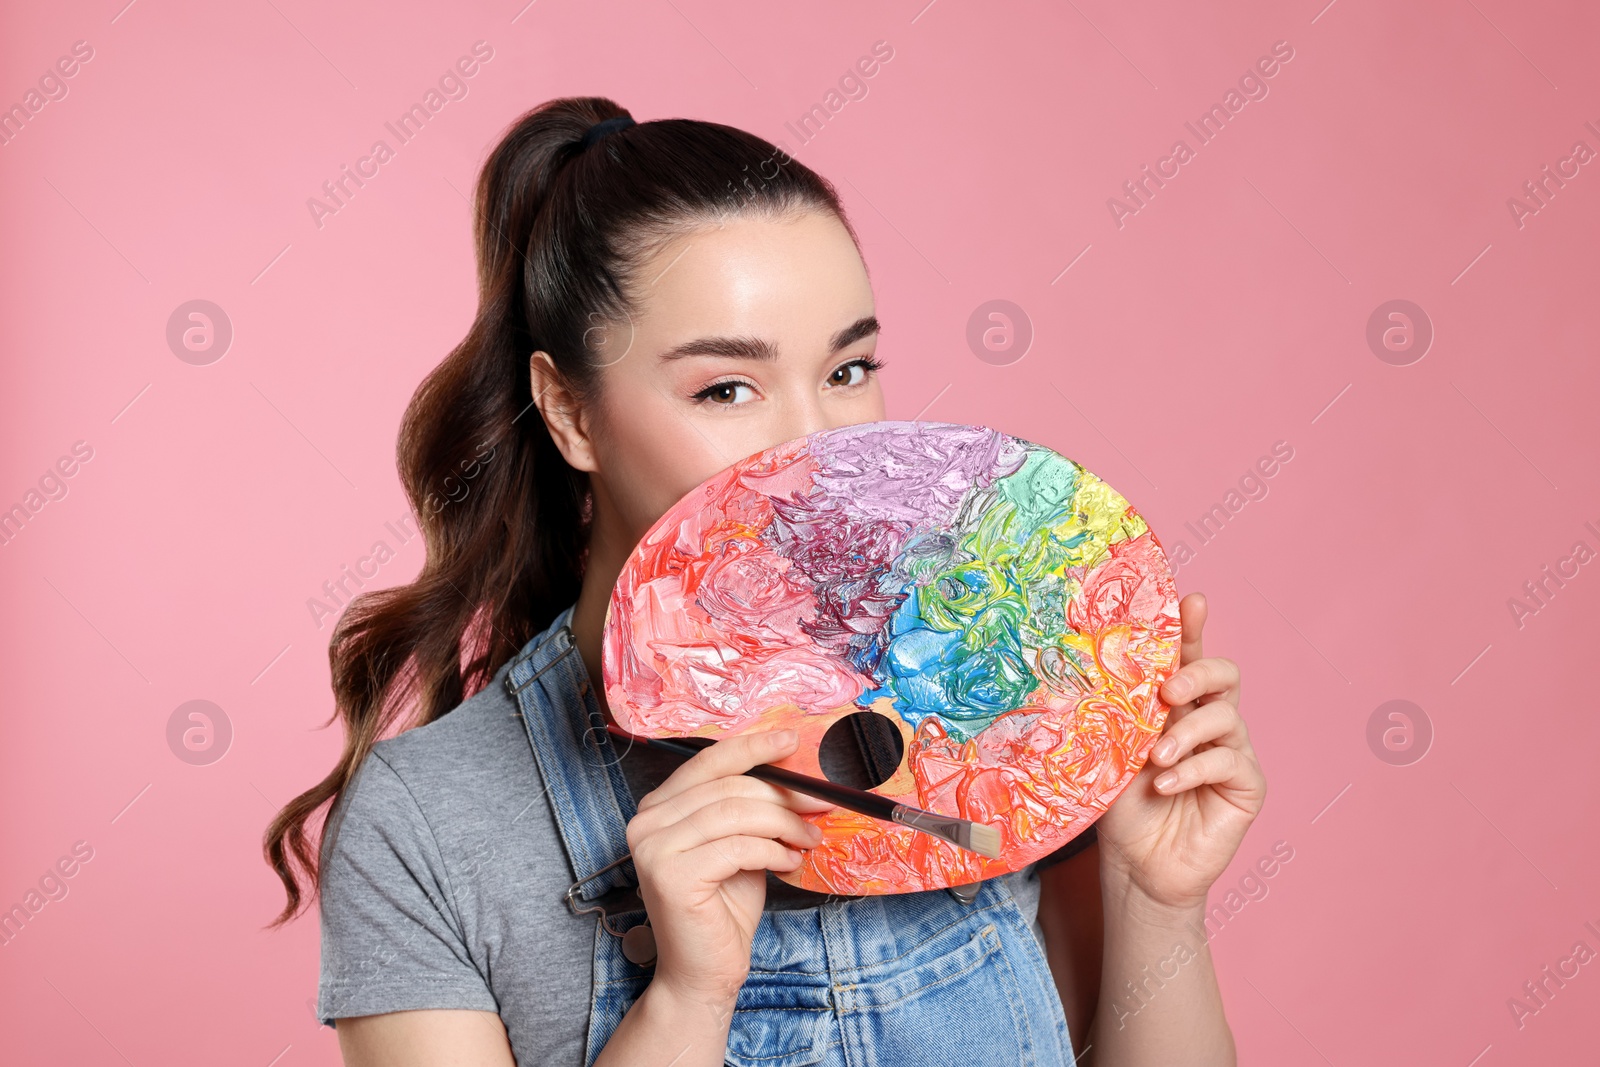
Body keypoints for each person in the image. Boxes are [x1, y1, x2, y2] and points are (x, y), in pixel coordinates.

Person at [263, 96, 1265, 1067]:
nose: (816, 446)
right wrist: (688, 999)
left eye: (847, 369)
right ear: (569, 413)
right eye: (727, 387)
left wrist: (1153, 893)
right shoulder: (428, 823)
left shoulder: (998, 693)